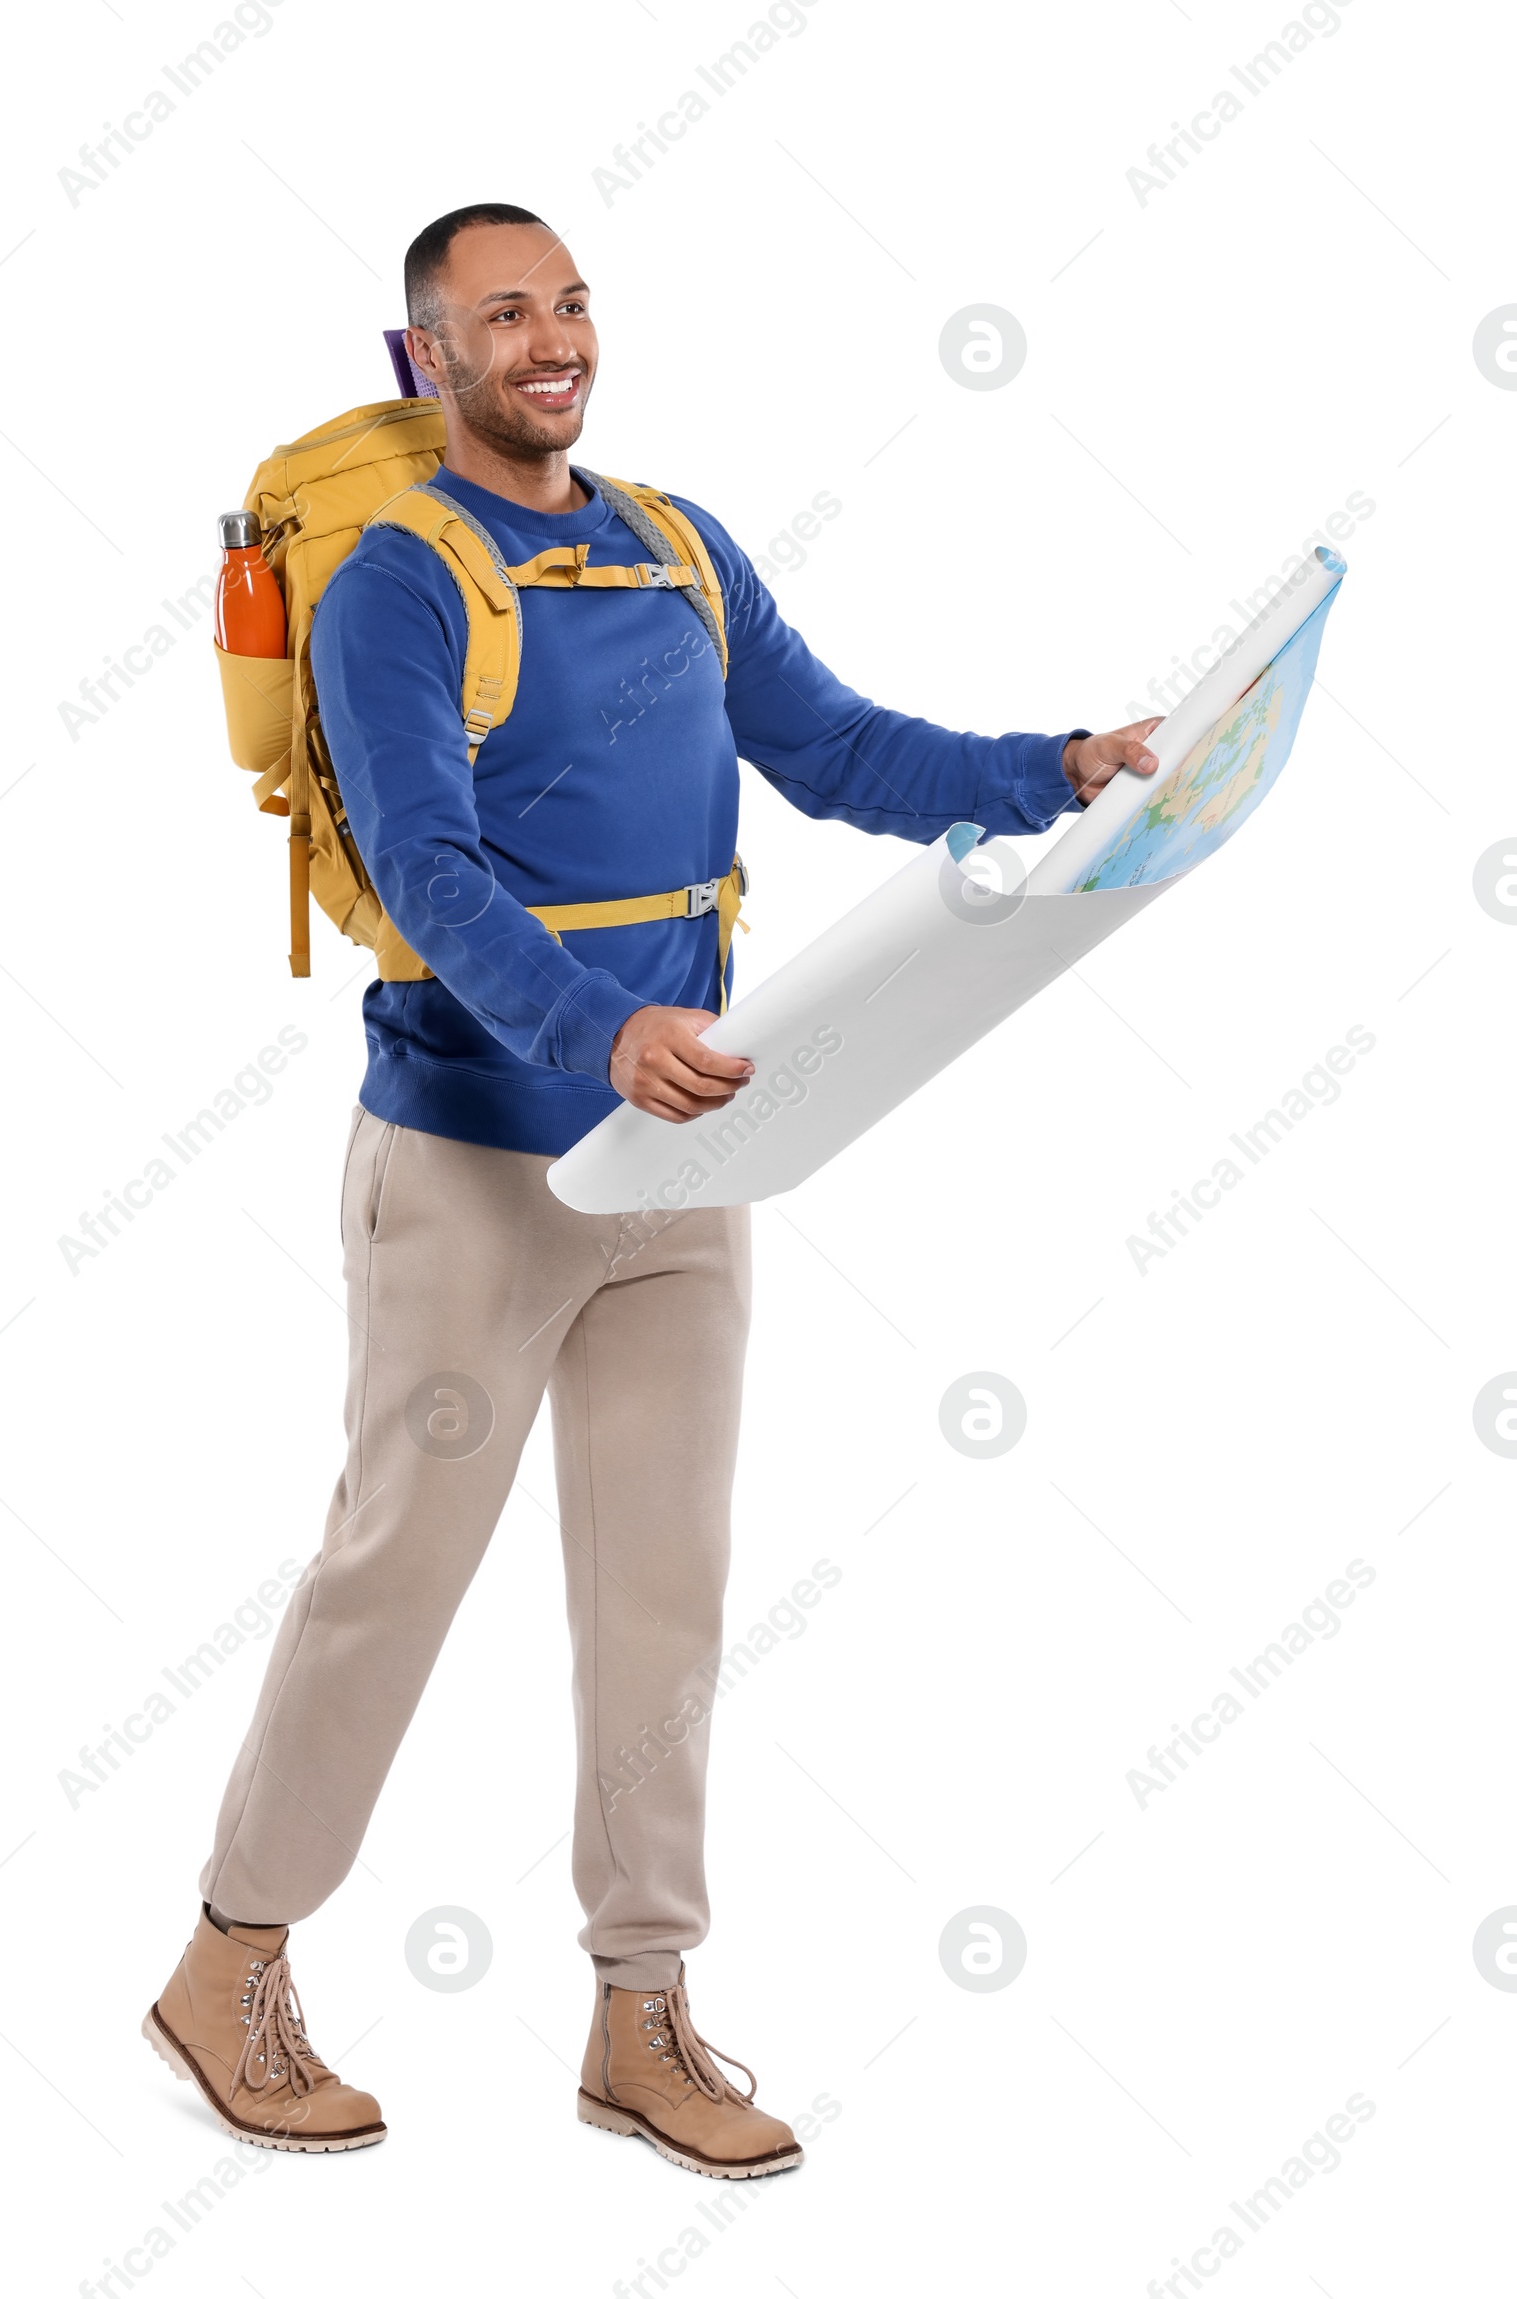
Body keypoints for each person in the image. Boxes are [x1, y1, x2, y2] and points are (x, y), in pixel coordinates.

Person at [143, 201, 1159, 2173]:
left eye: (571, 304)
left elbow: (838, 746)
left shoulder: (680, 548)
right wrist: (599, 1024)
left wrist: (1056, 767)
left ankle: (640, 2012)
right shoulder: (396, 589)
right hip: (470, 1167)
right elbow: (430, 878)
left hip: (691, 1157)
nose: (550, 339)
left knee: (660, 1602)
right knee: (392, 1579)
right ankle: (226, 1960)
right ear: (422, 358)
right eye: (502, 313)